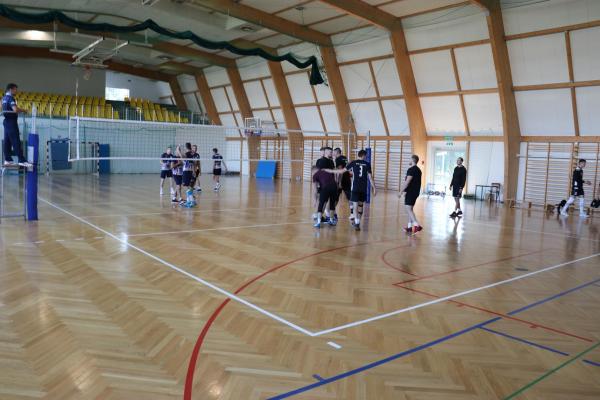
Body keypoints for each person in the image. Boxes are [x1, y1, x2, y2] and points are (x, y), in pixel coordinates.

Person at [333, 149, 376, 231]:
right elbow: (370, 178)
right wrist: (374, 188)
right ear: (364, 156)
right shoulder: (367, 164)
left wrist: (333, 171)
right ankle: (358, 222)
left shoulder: (353, 163)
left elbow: (342, 171)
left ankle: (356, 222)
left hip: (355, 187)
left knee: (355, 205)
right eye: (366, 156)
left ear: (359, 155)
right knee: (360, 206)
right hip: (363, 188)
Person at [2, 83, 30, 167]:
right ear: (11, 89)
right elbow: (15, 109)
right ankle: (22, 160)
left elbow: (1, 107)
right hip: (11, 122)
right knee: (16, 141)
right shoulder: (10, 98)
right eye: (15, 89)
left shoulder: (3, 98)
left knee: (7, 141)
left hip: (6, 121)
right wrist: (24, 110)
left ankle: (7, 160)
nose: (16, 91)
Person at [399, 155, 423, 234]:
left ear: (412, 160)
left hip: (411, 192)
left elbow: (407, 182)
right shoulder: (419, 170)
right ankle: (409, 227)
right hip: (415, 192)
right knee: (410, 209)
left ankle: (417, 225)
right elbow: (414, 182)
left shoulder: (411, 169)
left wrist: (401, 191)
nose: (409, 160)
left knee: (408, 209)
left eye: (410, 159)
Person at [182, 143, 196, 207]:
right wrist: (194, 171)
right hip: (190, 171)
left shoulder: (187, 154)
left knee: (187, 187)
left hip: (186, 171)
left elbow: (182, 158)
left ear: (186, 147)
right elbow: (193, 163)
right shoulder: (192, 154)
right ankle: (188, 201)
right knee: (189, 187)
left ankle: (192, 201)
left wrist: (179, 151)